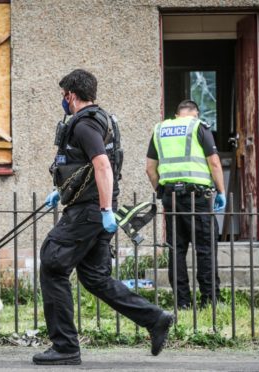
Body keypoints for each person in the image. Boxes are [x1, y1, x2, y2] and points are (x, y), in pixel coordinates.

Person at [33, 69, 174, 366]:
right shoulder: (103, 119)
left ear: (71, 95)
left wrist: (106, 209)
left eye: (63, 96)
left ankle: (65, 347)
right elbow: (86, 168)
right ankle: (155, 318)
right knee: (94, 277)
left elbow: (103, 166)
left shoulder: (84, 125)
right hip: (93, 210)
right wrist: (61, 192)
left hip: (89, 212)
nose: (63, 101)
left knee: (52, 263)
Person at [145, 100, 226, 310]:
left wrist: (161, 191)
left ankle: (182, 302)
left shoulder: (160, 129)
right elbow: (214, 163)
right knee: (205, 248)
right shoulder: (199, 126)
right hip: (197, 197)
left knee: (176, 249)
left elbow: (150, 169)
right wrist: (221, 191)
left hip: (170, 196)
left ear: (176, 114)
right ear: (195, 113)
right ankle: (210, 300)